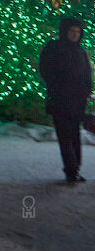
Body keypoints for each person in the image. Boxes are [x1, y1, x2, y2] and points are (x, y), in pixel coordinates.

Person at [39, 16, 92, 184]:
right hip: (60, 101)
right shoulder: (54, 48)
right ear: (65, 32)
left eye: (78, 32)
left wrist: (87, 91)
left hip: (77, 102)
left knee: (74, 135)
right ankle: (71, 169)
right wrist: (57, 88)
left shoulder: (80, 51)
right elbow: (46, 70)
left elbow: (87, 75)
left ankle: (75, 168)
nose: (75, 35)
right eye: (72, 31)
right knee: (65, 136)